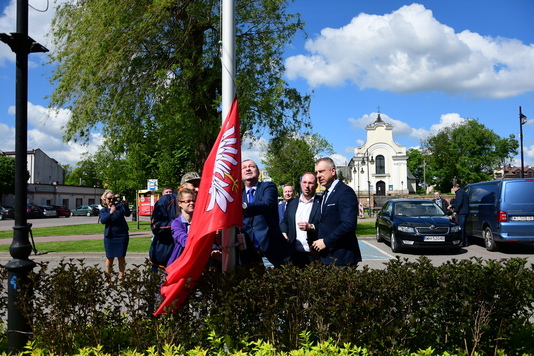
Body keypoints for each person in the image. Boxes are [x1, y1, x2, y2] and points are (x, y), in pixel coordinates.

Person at [240, 159, 291, 267]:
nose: (248, 169)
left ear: (258, 173)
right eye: (244, 168)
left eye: (251, 166)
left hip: (272, 249)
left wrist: (243, 206)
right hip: (249, 252)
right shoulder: (238, 194)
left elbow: (267, 204)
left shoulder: (268, 186)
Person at [312, 157, 362, 266]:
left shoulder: (345, 192)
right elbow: (327, 222)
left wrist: (326, 242)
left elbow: (349, 224)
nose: (318, 176)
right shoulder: (325, 194)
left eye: (321, 171)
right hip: (326, 257)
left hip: (341, 258)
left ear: (333, 171)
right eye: (316, 173)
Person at [280, 173, 321, 267]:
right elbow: (285, 222)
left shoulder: (321, 202)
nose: (307, 186)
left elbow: (327, 225)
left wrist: (311, 227)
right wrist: (284, 232)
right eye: (304, 182)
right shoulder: (292, 203)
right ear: (300, 184)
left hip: (315, 254)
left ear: (316, 185)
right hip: (294, 254)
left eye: (310, 183)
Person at [100, 190, 131, 280]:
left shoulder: (120, 207)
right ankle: (108, 279)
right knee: (110, 258)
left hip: (122, 235)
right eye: (109, 199)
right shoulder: (104, 210)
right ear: (105, 200)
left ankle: (122, 278)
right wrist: (110, 212)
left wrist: (125, 204)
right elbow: (103, 221)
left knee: (121, 257)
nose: (111, 200)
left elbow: (127, 214)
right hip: (110, 236)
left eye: (113, 198)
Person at [167, 188, 196, 265]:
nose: (192, 203)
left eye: (193, 200)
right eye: (188, 201)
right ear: (180, 204)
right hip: (179, 263)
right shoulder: (176, 223)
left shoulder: (199, 222)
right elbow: (183, 240)